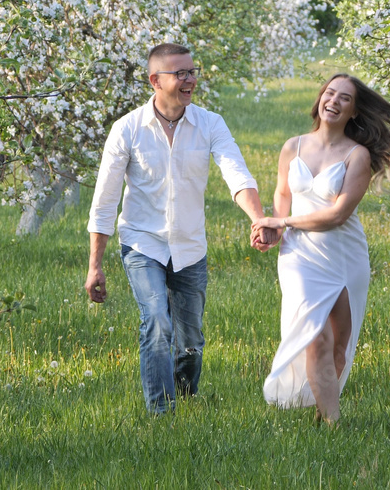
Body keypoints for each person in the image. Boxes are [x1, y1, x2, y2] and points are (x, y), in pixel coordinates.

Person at [85, 43, 272, 414]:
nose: (190, 80)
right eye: (180, 73)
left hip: (189, 246)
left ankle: (186, 399)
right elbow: (105, 200)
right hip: (142, 243)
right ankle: (161, 412)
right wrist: (95, 264)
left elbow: (236, 172)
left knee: (190, 341)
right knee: (156, 322)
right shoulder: (128, 129)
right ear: (155, 80)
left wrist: (258, 218)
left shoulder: (210, 123)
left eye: (192, 71)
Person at [251, 73, 390, 425]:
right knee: (315, 336)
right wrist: (275, 226)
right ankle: (334, 425)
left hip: (343, 254)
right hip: (299, 255)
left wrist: (282, 224)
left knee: (339, 345)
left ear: (354, 110)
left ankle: (321, 408)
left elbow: (337, 214)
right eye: (330, 93)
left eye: (344, 98)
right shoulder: (293, 146)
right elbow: (283, 196)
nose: (333, 101)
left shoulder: (357, 155)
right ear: (320, 99)